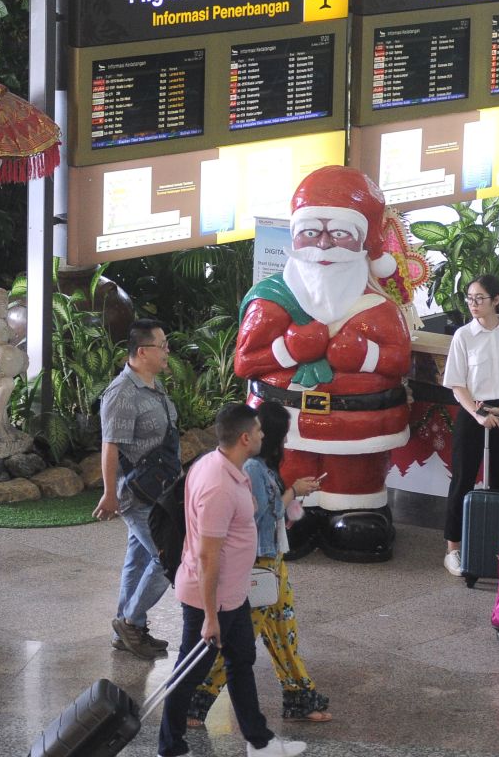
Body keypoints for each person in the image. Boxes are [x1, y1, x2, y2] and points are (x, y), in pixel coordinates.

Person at [236, 165, 413, 562]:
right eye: (312, 232)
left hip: (358, 429)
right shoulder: (270, 301)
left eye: (340, 234)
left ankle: (354, 507)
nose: (324, 245)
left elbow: (399, 360)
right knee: (287, 475)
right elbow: (245, 362)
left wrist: (365, 356)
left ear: (364, 242)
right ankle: (292, 514)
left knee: (355, 500)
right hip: (286, 421)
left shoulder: (379, 308)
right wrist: (288, 350)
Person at [158, 403, 307, 757]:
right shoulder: (219, 487)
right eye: (257, 430)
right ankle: (170, 747)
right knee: (189, 673)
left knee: (241, 660)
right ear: (244, 438)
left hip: (232, 594)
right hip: (213, 598)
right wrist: (210, 616)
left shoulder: (216, 463)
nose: (262, 434)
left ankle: (260, 741)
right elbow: (209, 556)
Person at [187, 402, 331, 728]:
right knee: (242, 644)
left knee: (284, 632)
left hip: (272, 561)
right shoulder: (250, 469)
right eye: (261, 430)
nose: (265, 435)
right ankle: (195, 701)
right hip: (257, 566)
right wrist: (293, 492)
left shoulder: (260, 467)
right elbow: (251, 519)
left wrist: (292, 497)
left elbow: (270, 514)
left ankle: (300, 697)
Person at [93, 318, 177, 659]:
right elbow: (110, 445)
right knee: (167, 556)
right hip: (137, 495)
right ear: (142, 352)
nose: (167, 352)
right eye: (163, 346)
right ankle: (131, 622)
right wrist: (110, 494)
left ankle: (129, 628)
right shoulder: (122, 393)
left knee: (137, 558)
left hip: (158, 492)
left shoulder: (152, 385)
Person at [440, 275, 499, 577]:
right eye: (469, 298)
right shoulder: (463, 336)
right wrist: (479, 414)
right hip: (473, 410)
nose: (473, 304)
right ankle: (453, 549)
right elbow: (456, 384)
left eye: (479, 298)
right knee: (462, 480)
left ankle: (498, 546)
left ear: (496, 300)